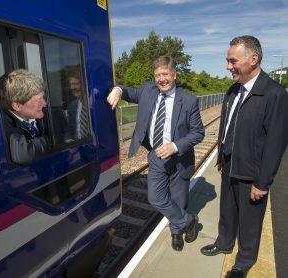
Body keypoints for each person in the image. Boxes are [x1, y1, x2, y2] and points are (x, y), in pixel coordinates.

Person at [200, 36, 288, 277]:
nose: (228, 66)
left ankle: (244, 261)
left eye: (232, 61)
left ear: (253, 59)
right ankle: (224, 243)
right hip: (229, 164)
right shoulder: (232, 90)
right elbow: (227, 126)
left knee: (250, 220)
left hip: (253, 172)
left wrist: (263, 182)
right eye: (228, 61)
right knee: (227, 210)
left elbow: (276, 143)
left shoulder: (274, 94)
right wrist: (221, 155)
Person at [107, 56, 205, 251]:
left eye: (165, 74)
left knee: (178, 200)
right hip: (156, 156)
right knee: (156, 198)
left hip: (179, 158)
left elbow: (198, 133)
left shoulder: (189, 100)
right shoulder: (147, 90)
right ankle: (188, 221)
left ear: (174, 75)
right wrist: (117, 90)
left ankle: (176, 232)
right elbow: (126, 90)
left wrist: (175, 146)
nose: (161, 79)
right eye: (157, 75)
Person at [0, 69, 51, 165]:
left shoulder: (51, 114)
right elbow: (24, 154)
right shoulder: (0, 125)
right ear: (17, 106)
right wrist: (54, 139)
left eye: (43, 97)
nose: (44, 103)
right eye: (38, 100)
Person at [65, 73, 90, 141]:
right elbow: (69, 128)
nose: (72, 88)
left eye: (76, 84)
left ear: (84, 84)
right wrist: (68, 139)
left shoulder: (95, 101)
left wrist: (118, 89)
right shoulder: (72, 106)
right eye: (71, 84)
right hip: (78, 147)